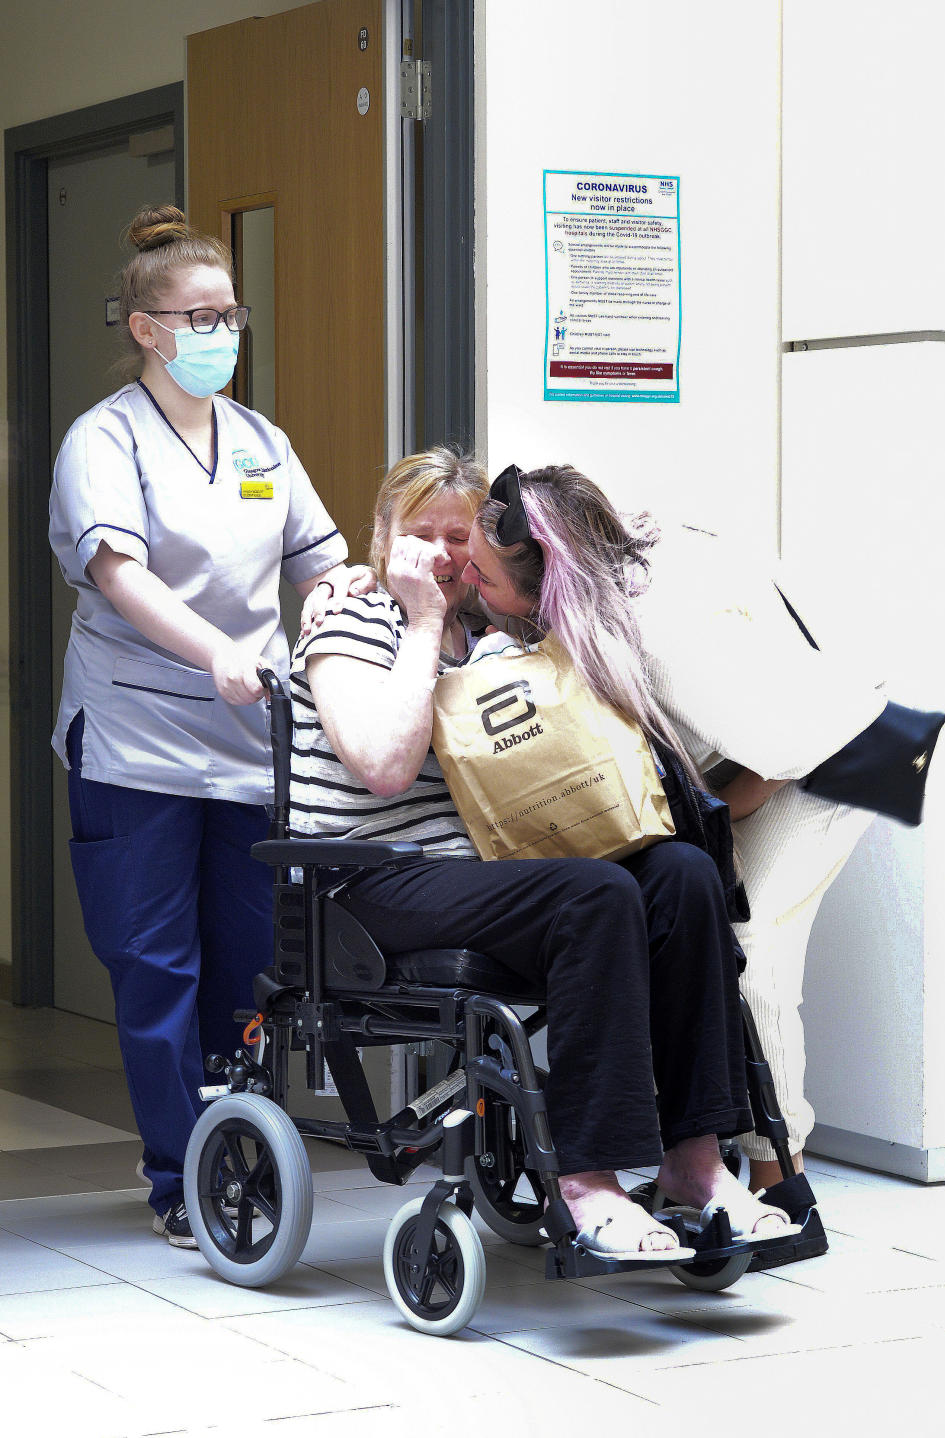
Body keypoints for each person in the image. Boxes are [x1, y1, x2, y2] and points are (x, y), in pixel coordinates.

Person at [289, 446, 798, 1258]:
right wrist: (420, 618)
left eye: (460, 538)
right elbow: (382, 768)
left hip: (485, 877)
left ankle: (694, 1162)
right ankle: (587, 1182)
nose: (443, 556)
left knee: (683, 874)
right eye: (419, 535)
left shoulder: (493, 639)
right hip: (369, 883)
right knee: (592, 894)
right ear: (380, 540)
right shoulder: (349, 619)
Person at [463, 463, 884, 1263]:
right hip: (775, 753)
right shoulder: (590, 597)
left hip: (836, 760)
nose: (474, 589)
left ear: (541, 575)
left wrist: (697, 839)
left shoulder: (658, 638)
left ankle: (781, 1185)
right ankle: (705, 1163)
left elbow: (784, 753)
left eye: (484, 576)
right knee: (698, 914)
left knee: (748, 959)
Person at [49, 204, 367, 1247]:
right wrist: (219, 650)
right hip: (136, 739)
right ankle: (179, 1178)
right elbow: (118, 572)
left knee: (244, 969)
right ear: (146, 327)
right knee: (158, 969)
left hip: (243, 749)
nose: (222, 332)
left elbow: (319, 561)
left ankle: (239, 1155)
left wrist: (341, 617)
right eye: (200, 315)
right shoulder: (103, 440)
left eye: (231, 313)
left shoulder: (263, 441)